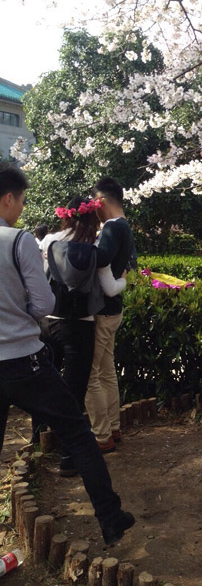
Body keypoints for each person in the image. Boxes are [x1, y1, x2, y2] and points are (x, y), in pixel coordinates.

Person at [0, 164, 134, 545]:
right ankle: (110, 517)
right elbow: (42, 301)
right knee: (77, 432)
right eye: (21, 202)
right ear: (8, 198)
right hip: (24, 359)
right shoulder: (17, 239)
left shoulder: (43, 239)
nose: (21, 209)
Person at [38, 196, 127, 475]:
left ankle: (39, 436)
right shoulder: (95, 250)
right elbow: (110, 288)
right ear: (91, 218)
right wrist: (125, 277)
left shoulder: (48, 242)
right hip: (80, 326)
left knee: (48, 382)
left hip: (49, 322)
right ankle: (68, 458)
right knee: (76, 391)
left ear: (64, 216)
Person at [85, 177, 136, 453]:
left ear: (102, 201)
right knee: (106, 371)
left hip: (102, 310)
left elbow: (99, 259)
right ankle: (113, 428)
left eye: (94, 203)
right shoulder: (125, 226)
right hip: (113, 309)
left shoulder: (112, 228)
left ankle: (102, 436)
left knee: (92, 374)